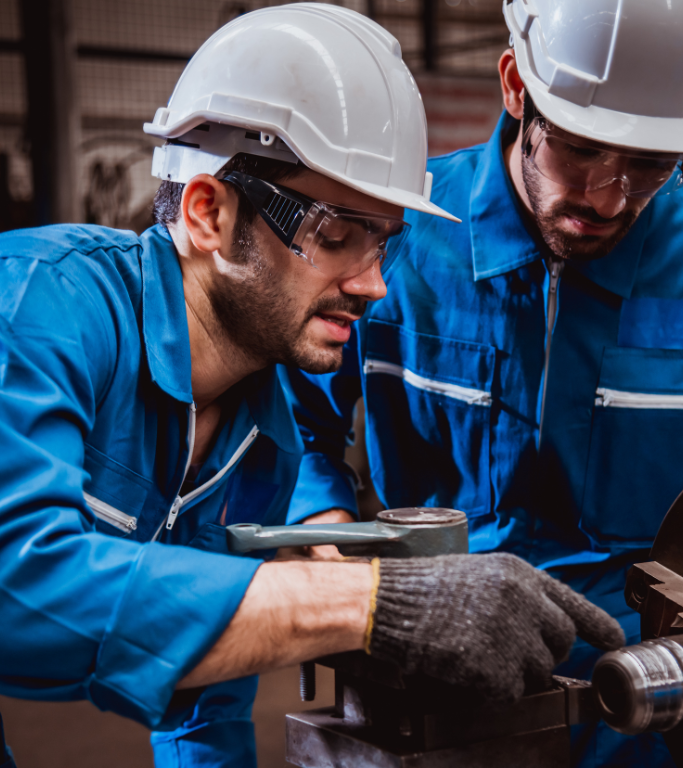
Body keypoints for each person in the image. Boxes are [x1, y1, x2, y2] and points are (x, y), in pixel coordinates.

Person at [0, 4, 622, 767]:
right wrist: (364, 602)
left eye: (384, 245)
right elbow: (16, 586)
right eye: (334, 238)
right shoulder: (38, 303)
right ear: (209, 213)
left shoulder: (262, 436)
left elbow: (202, 706)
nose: (373, 287)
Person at [284, 1, 683, 766]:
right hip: (441, 662)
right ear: (512, 87)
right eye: (578, 150)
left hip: (648, 692)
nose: (607, 197)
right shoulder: (397, 236)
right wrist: (328, 539)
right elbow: (297, 421)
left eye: (646, 166)